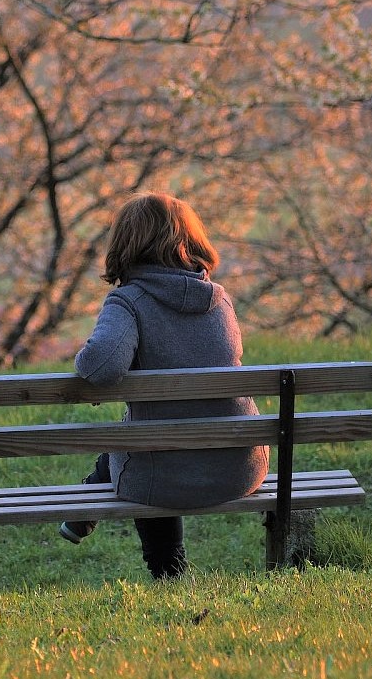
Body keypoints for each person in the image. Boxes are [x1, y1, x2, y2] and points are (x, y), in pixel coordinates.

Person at [59, 192, 269, 580]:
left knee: (139, 448)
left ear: (126, 243)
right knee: (133, 444)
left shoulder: (129, 302)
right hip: (239, 467)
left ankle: (168, 570)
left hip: (165, 474)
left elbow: (101, 367)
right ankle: (81, 515)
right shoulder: (219, 301)